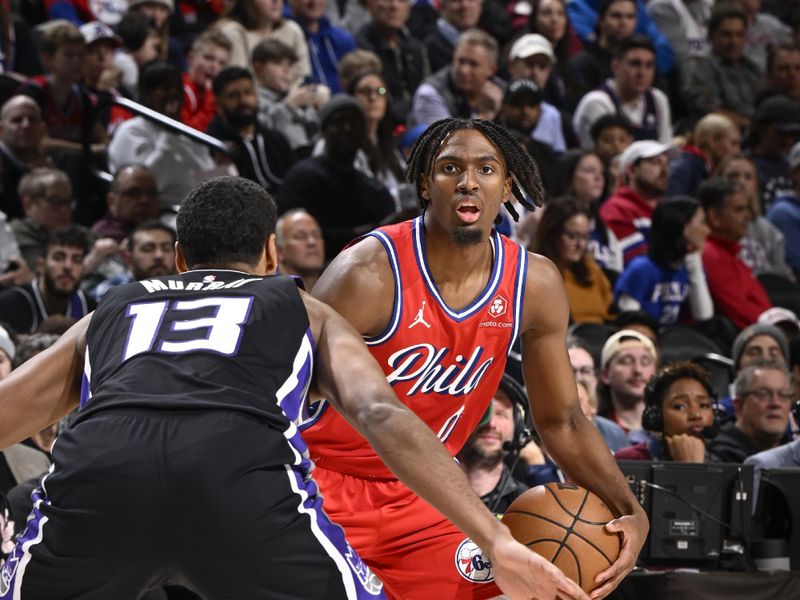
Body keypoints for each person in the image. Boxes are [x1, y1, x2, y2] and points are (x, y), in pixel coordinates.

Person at [0, 175, 590, 600]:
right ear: (271, 254)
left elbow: (10, 411)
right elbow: (381, 412)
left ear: (178, 259)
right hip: (236, 488)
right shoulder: (298, 306)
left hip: (101, 486)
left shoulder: (114, 307)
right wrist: (493, 537)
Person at [304, 117, 648, 599]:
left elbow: (563, 419)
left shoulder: (536, 283)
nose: (468, 181)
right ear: (425, 183)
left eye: (486, 169)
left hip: (427, 494)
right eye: (450, 168)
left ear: (506, 185)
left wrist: (628, 508)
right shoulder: (366, 272)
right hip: (323, 485)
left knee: (533, 586)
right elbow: (285, 397)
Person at [277, 94, 395, 258]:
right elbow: (305, 239)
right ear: (324, 130)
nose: (347, 129)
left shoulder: (374, 189)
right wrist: (375, 230)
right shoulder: (303, 178)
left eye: (354, 123)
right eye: (339, 122)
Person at [614, 196, 713, 326]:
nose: (708, 231)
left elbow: (704, 317)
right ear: (684, 228)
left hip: (671, 340)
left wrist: (694, 262)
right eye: (702, 222)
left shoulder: (688, 267)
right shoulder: (641, 268)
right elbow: (629, 321)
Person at [697, 176, 773, 330]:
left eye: (747, 209)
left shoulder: (730, 253)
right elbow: (742, 313)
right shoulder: (710, 255)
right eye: (739, 209)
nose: (747, 216)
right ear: (715, 217)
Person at [572, 35, 672, 150]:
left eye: (649, 66)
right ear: (616, 66)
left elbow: (665, 150)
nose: (642, 72)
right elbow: (609, 156)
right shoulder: (597, 102)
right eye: (635, 64)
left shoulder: (658, 99)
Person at [207, 67, 295, 196]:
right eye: (233, 96)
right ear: (218, 104)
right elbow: (216, 198)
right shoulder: (212, 146)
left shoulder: (276, 139)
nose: (243, 100)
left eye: (248, 93)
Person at [615, 361, 719, 462]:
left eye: (704, 405)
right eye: (680, 406)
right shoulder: (629, 461)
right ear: (656, 416)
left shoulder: (721, 462)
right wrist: (690, 467)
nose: (696, 415)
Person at [534, 196, 614, 324]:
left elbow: (612, 313)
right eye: (572, 236)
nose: (580, 245)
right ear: (552, 234)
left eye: (585, 237)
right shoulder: (534, 274)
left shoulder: (592, 270)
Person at [457, 375, 530, 515]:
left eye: (501, 414)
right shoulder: (425, 491)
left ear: (518, 426)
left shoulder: (527, 505)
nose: (491, 424)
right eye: (482, 411)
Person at [0, 226, 94, 334]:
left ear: (84, 269)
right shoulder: (10, 304)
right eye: (59, 257)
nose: (68, 266)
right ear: (41, 265)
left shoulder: (90, 309)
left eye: (76, 260)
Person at [682, 3, 761, 128]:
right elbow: (708, 110)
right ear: (711, 36)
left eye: (739, 35)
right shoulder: (700, 69)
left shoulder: (753, 69)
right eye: (726, 35)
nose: (733, 41)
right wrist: (749, 125)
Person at [599, 140, 675, 265]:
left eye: (667, 164)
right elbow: (637, 264)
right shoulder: (616, 210)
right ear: (631, 170)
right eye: (657, 162)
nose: (665, 171)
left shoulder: (667, 210)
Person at [354, 0, 430, 126]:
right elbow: (376, 95)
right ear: (369, 4)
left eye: (402, 0)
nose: (394, 6)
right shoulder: (359, 49)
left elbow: (426, 95)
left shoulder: (416, 49)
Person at [409, 29, 502, 128]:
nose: (464, 70)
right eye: (461, 61)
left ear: (491, 70)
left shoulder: (500, 90)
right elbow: (445, 141)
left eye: (473, 64)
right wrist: (485, 115)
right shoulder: (429, 94)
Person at [708, 360, 793, 462]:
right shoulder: (719, 457)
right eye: (763, 394)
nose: (776, 403)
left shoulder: (794, 451)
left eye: (783, 395)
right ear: (739, 406)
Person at [91, 220, 177, 301]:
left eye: (166, 248)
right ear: (128, 256)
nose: (159, 255)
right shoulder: (109, 294)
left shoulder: (188, 290)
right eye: (148, 249)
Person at [597, 329, 657, 443]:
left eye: (645, 362)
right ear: (605, 374)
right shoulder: (595, 428)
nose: (638, 370)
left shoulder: (667, 429)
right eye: (626, 361)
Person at [0, 96, 50, 223]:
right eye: (17, 120)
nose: (26, 125)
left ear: (43, 129)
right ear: (1, 129)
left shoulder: (56, 164)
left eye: (32, 120)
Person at [666, 113, 741, 197]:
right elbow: (670, 205)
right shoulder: (685, 166)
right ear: (713, 141)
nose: (738, 151)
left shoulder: (703, 168)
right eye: (733, 144)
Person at [181, 30, 232, 133]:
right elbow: (189, 133)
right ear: (191, 58)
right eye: (209, 58)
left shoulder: (215, 94)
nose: (215, 67)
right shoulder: (180, 89)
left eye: (222, 63)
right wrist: (211, 99)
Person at [275, 209, 325, 291]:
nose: (312, 242)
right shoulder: (267, 293)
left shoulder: (337, 288)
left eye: (316, 235)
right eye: (300, 236)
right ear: (279, 251)